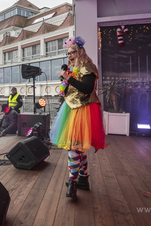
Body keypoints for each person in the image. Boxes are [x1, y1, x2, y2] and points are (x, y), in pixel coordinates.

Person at [50, 36, 107, 198]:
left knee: (74, 148)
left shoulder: (87, 66)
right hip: (72, 108)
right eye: (68, 53)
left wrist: (69, 78)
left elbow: (87, 89)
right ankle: (83, 179)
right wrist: (65, 82)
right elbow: (70, 90)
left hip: (85, 110)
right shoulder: (72, 69)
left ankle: (72, 182)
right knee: (78, 148)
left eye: (73, 52)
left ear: (80, 51)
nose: (70, 56)